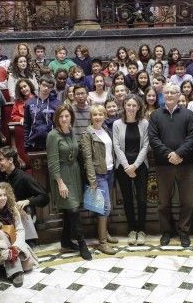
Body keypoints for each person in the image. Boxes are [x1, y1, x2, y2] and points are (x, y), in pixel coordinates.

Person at [148, 83, 193, 247]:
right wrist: (169, 154)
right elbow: (153, 139)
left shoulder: (188, 114)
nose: (169, 95)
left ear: (178, 95)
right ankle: (166, 231)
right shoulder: (155, 115)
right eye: (167, 92)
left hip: (185, 165)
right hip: (163, 165)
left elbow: (192, 137)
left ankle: (184, 231)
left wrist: (179, 154)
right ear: (163, 94)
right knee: (163, 203)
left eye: (173, 92)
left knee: (188, 202)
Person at [46, 105, 92, 259]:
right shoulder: (52, 135)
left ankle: (65, 240)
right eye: (61, 116)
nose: (64, 119)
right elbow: (52, 162)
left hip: (75, 173)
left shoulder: (71, 131)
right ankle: (82, 243)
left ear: (71, 116)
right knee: (72, 209)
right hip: (62, 175)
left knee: (69, 210)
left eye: (66, 116)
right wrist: (60, 183)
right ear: (56, 118)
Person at [0, 183, 38, 287]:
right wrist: (8, 251)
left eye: (5, 195)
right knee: (0, 233)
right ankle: (16, 272)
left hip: (15, 242)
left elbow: (20, 230)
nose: (3, 198)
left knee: (29, 265)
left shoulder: (13, 209)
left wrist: (16, 247)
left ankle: (2, 268)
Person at [81, 105, 118, 254]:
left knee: (106, 206)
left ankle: (105, 233)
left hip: (110, 171)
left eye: (100, 114)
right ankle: (102, 243)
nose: (98, 117)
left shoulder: (106, 130)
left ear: (104, 116)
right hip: (98, 174)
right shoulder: (87, 134)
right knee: (104, 207)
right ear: (91, 117)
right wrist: (92, 180)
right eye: (95, 114)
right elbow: (87, 159)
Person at [113, 94, 150, 246]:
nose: (131, 108)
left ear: (139, 107)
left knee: (141, 199)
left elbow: (146, 146)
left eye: (134, 105)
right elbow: (116, 146)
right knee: (127, 199)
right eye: (128, 105)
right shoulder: (117, 124)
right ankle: (132, 230)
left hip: (140, 166)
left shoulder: (144, 123)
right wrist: (126, 166)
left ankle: (141, 230)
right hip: (122, 167)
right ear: (124, 106)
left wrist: (134, 165)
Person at [0, 146, 49, 242]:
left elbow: (44, 197)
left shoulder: (24, 177)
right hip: (3, 214)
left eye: (0, 160)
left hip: (20, 215)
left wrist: (27, 201)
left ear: (10, 160)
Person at [24, 75, 61, 151]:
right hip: (33, 142)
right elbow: (26, 124)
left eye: (49, 86)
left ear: (52, 88)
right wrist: (26, 142)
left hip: (52, 142)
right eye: (44, 85)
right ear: (39, 84)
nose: (46, 88)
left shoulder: (57, 104)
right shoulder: (29, 103)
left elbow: (59, 125)